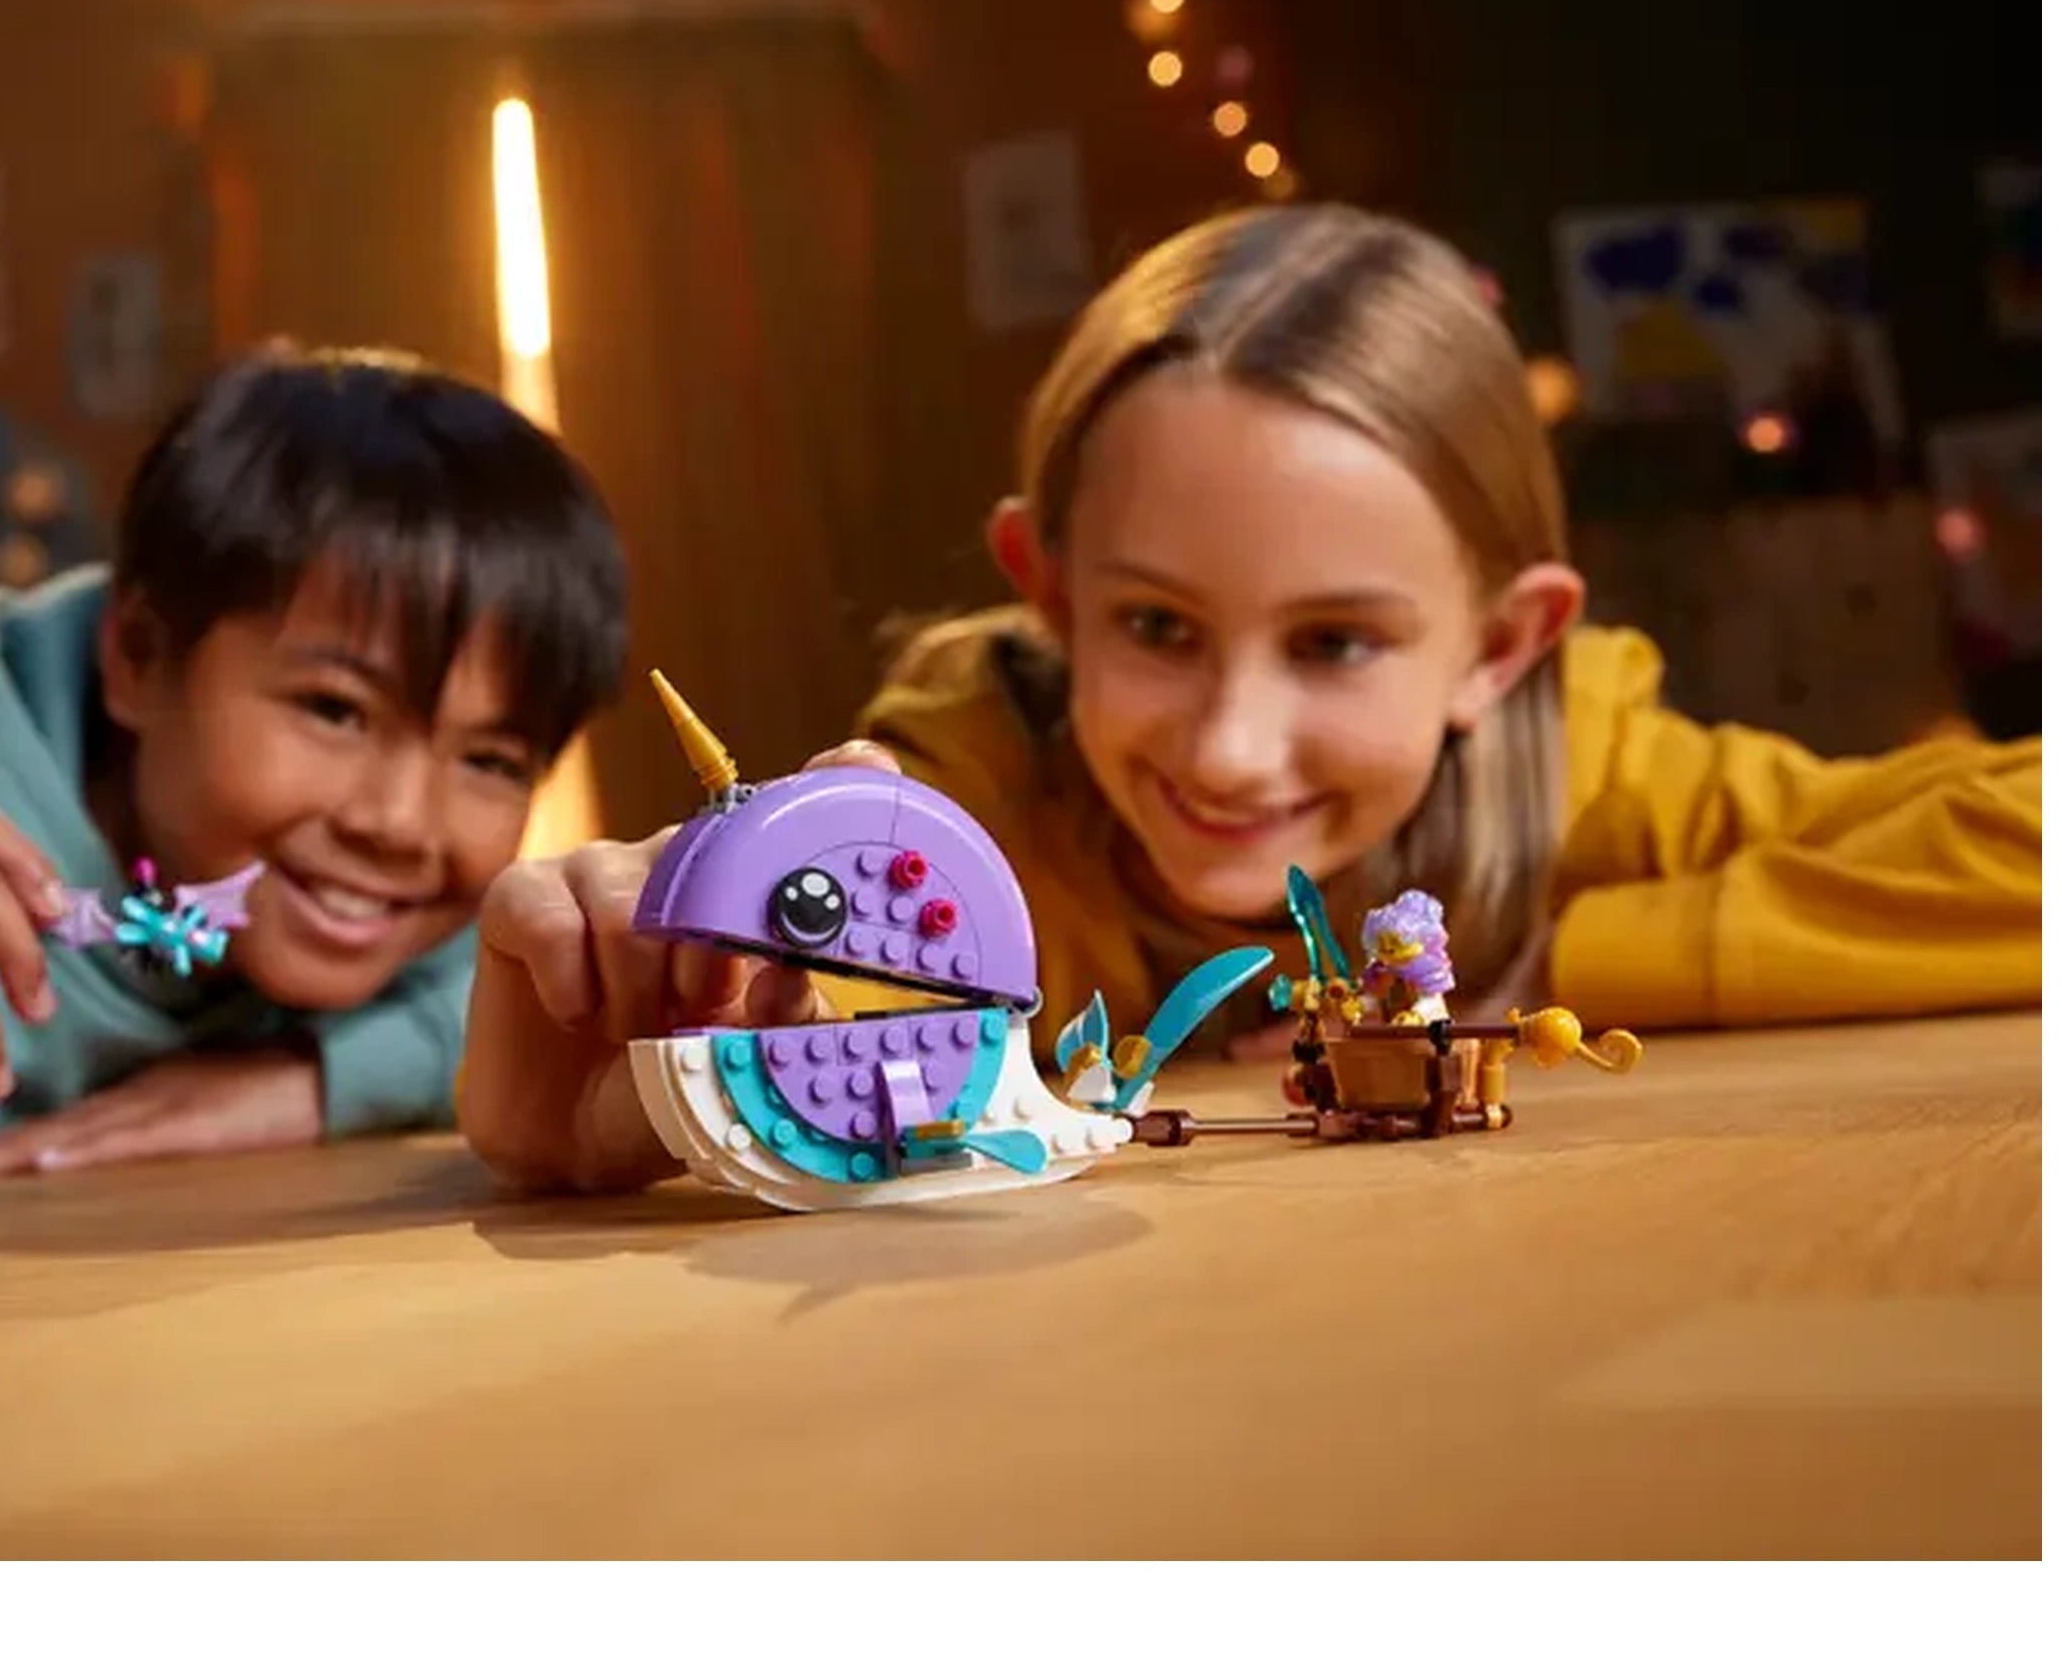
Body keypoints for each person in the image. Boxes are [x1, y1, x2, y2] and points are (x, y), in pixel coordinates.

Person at [456, 205, 2040, 1194]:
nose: (1227, 747)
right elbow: (861, 1027)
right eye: (1155, 624)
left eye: (1339, 644)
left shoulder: (1600, 784)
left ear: (1500, 648)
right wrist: (686, 1049)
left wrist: (1565, 957)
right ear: (1050, 593)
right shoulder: (963, 813)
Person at [0, 344, 627, 1238]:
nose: (402, 823)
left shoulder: (341, 893)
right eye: (336, 710)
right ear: (136, 656)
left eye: (490, 759)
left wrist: (306, 1080)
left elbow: (522, 986)